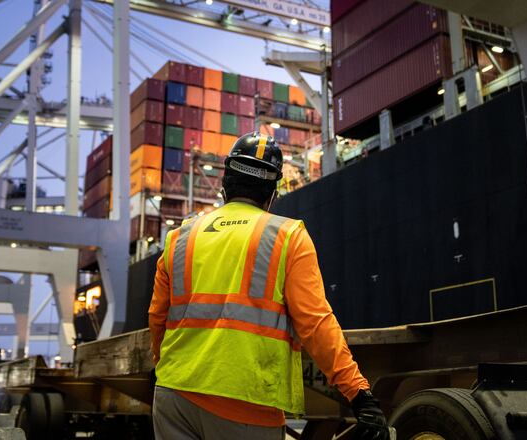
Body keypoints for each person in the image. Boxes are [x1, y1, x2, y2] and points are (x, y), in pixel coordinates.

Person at [149, 132, 390, 439]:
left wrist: (168, 369)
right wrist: (358, 393)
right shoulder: (287, 237)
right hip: (244, 403)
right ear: (272, 193)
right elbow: (316, 324)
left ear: (224, 185)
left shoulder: (181, 237)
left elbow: (157, 317)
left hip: (173, 397)